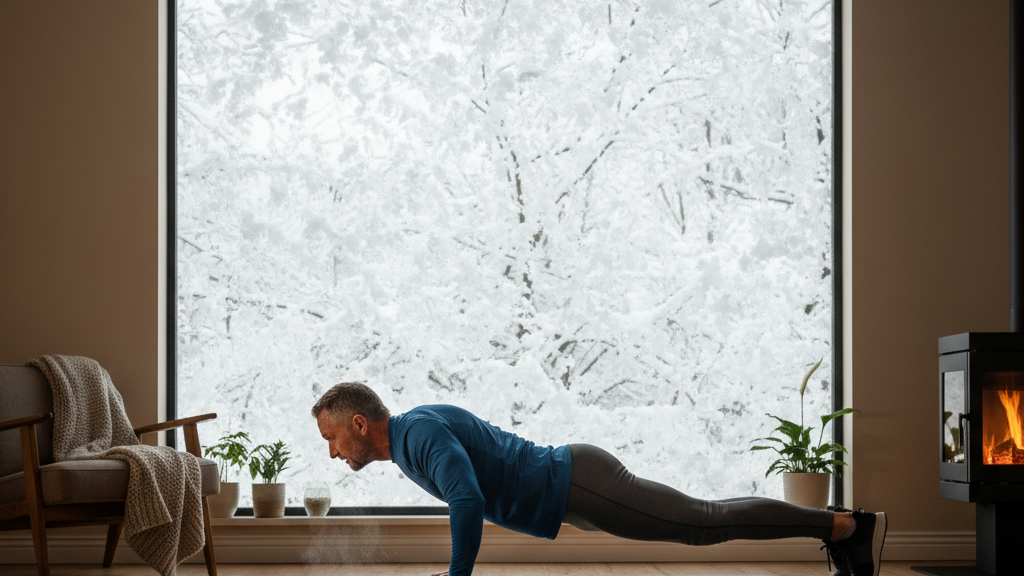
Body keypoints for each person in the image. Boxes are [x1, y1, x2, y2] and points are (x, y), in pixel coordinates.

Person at [312, 382, 886, 576]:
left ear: (358, 423)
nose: (334, 454)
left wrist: (459, 575)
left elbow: (465, 498)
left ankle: (845, 527)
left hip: (577, 480)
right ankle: (842, 530)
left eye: (332, 439)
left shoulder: (416, 433)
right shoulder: (411, 442)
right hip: (576, 485)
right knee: (703, 521)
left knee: (704, 524)